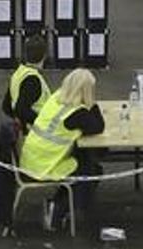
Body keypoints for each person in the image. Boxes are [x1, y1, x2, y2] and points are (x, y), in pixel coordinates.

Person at [18, 69, 104, 232]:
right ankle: (58, 210)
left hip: (32, 157)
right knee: (91, 171)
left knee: (86, 162)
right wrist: (91, 102)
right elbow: (98, 126)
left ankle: (57, 203)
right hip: (44, 165)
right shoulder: (76, 113)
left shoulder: (56, 98)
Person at [2, 34, 50, 128]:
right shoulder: (33, 80)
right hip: (37, 133)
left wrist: (18, 120)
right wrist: (41, 121)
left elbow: (6, 106)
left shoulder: (19, 73)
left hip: (25, 131)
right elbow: (21, 109)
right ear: (44, 56)